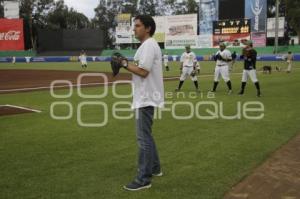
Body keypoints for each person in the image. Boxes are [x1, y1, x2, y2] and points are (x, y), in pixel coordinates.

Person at [119, 15, 164, 191]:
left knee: (143, 138)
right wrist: (126, 63)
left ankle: (144, 179)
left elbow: (143, 71)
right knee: (147, 135)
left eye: (137, 26)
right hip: (145, 96)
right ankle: (155, 168)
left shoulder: (149, 45)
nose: (134, 29)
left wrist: (124, 63)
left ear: (148, 28)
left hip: (145, 97)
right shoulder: (147, 45)